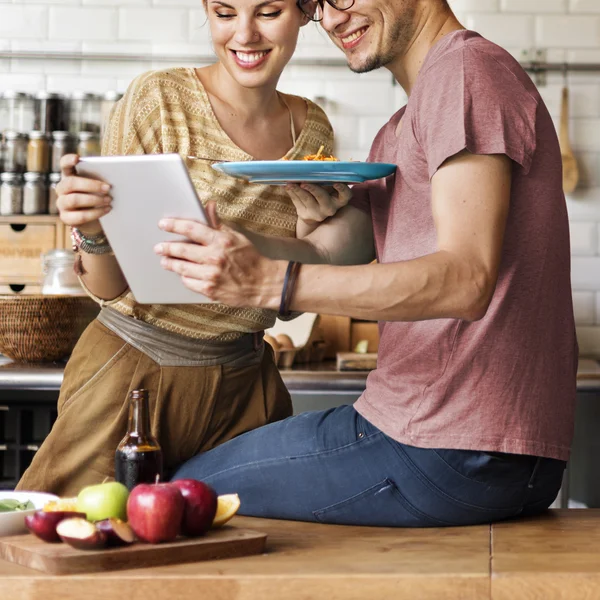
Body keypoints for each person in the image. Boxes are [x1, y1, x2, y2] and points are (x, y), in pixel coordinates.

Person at [164, 0, 578, 527]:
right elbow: (329, 254)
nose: (334, 19)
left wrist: (274, 283)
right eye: (321, 4)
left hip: (444, 443)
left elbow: (466, 279)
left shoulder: (466, 72)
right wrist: (217, 239)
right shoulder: (404, 124)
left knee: (180, 492)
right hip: (470, 449)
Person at [16, 0, 347, 497]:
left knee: (228, 556)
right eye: (225, 12)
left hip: (247, 383)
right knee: (64, 544)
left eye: (268, 11)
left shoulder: (312, 129)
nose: (245, 33)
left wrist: (321, 228)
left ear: (304, 12)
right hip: (132, 373)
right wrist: (91, 229)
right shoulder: (158, 100)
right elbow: (109, 287)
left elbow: (301, 280)